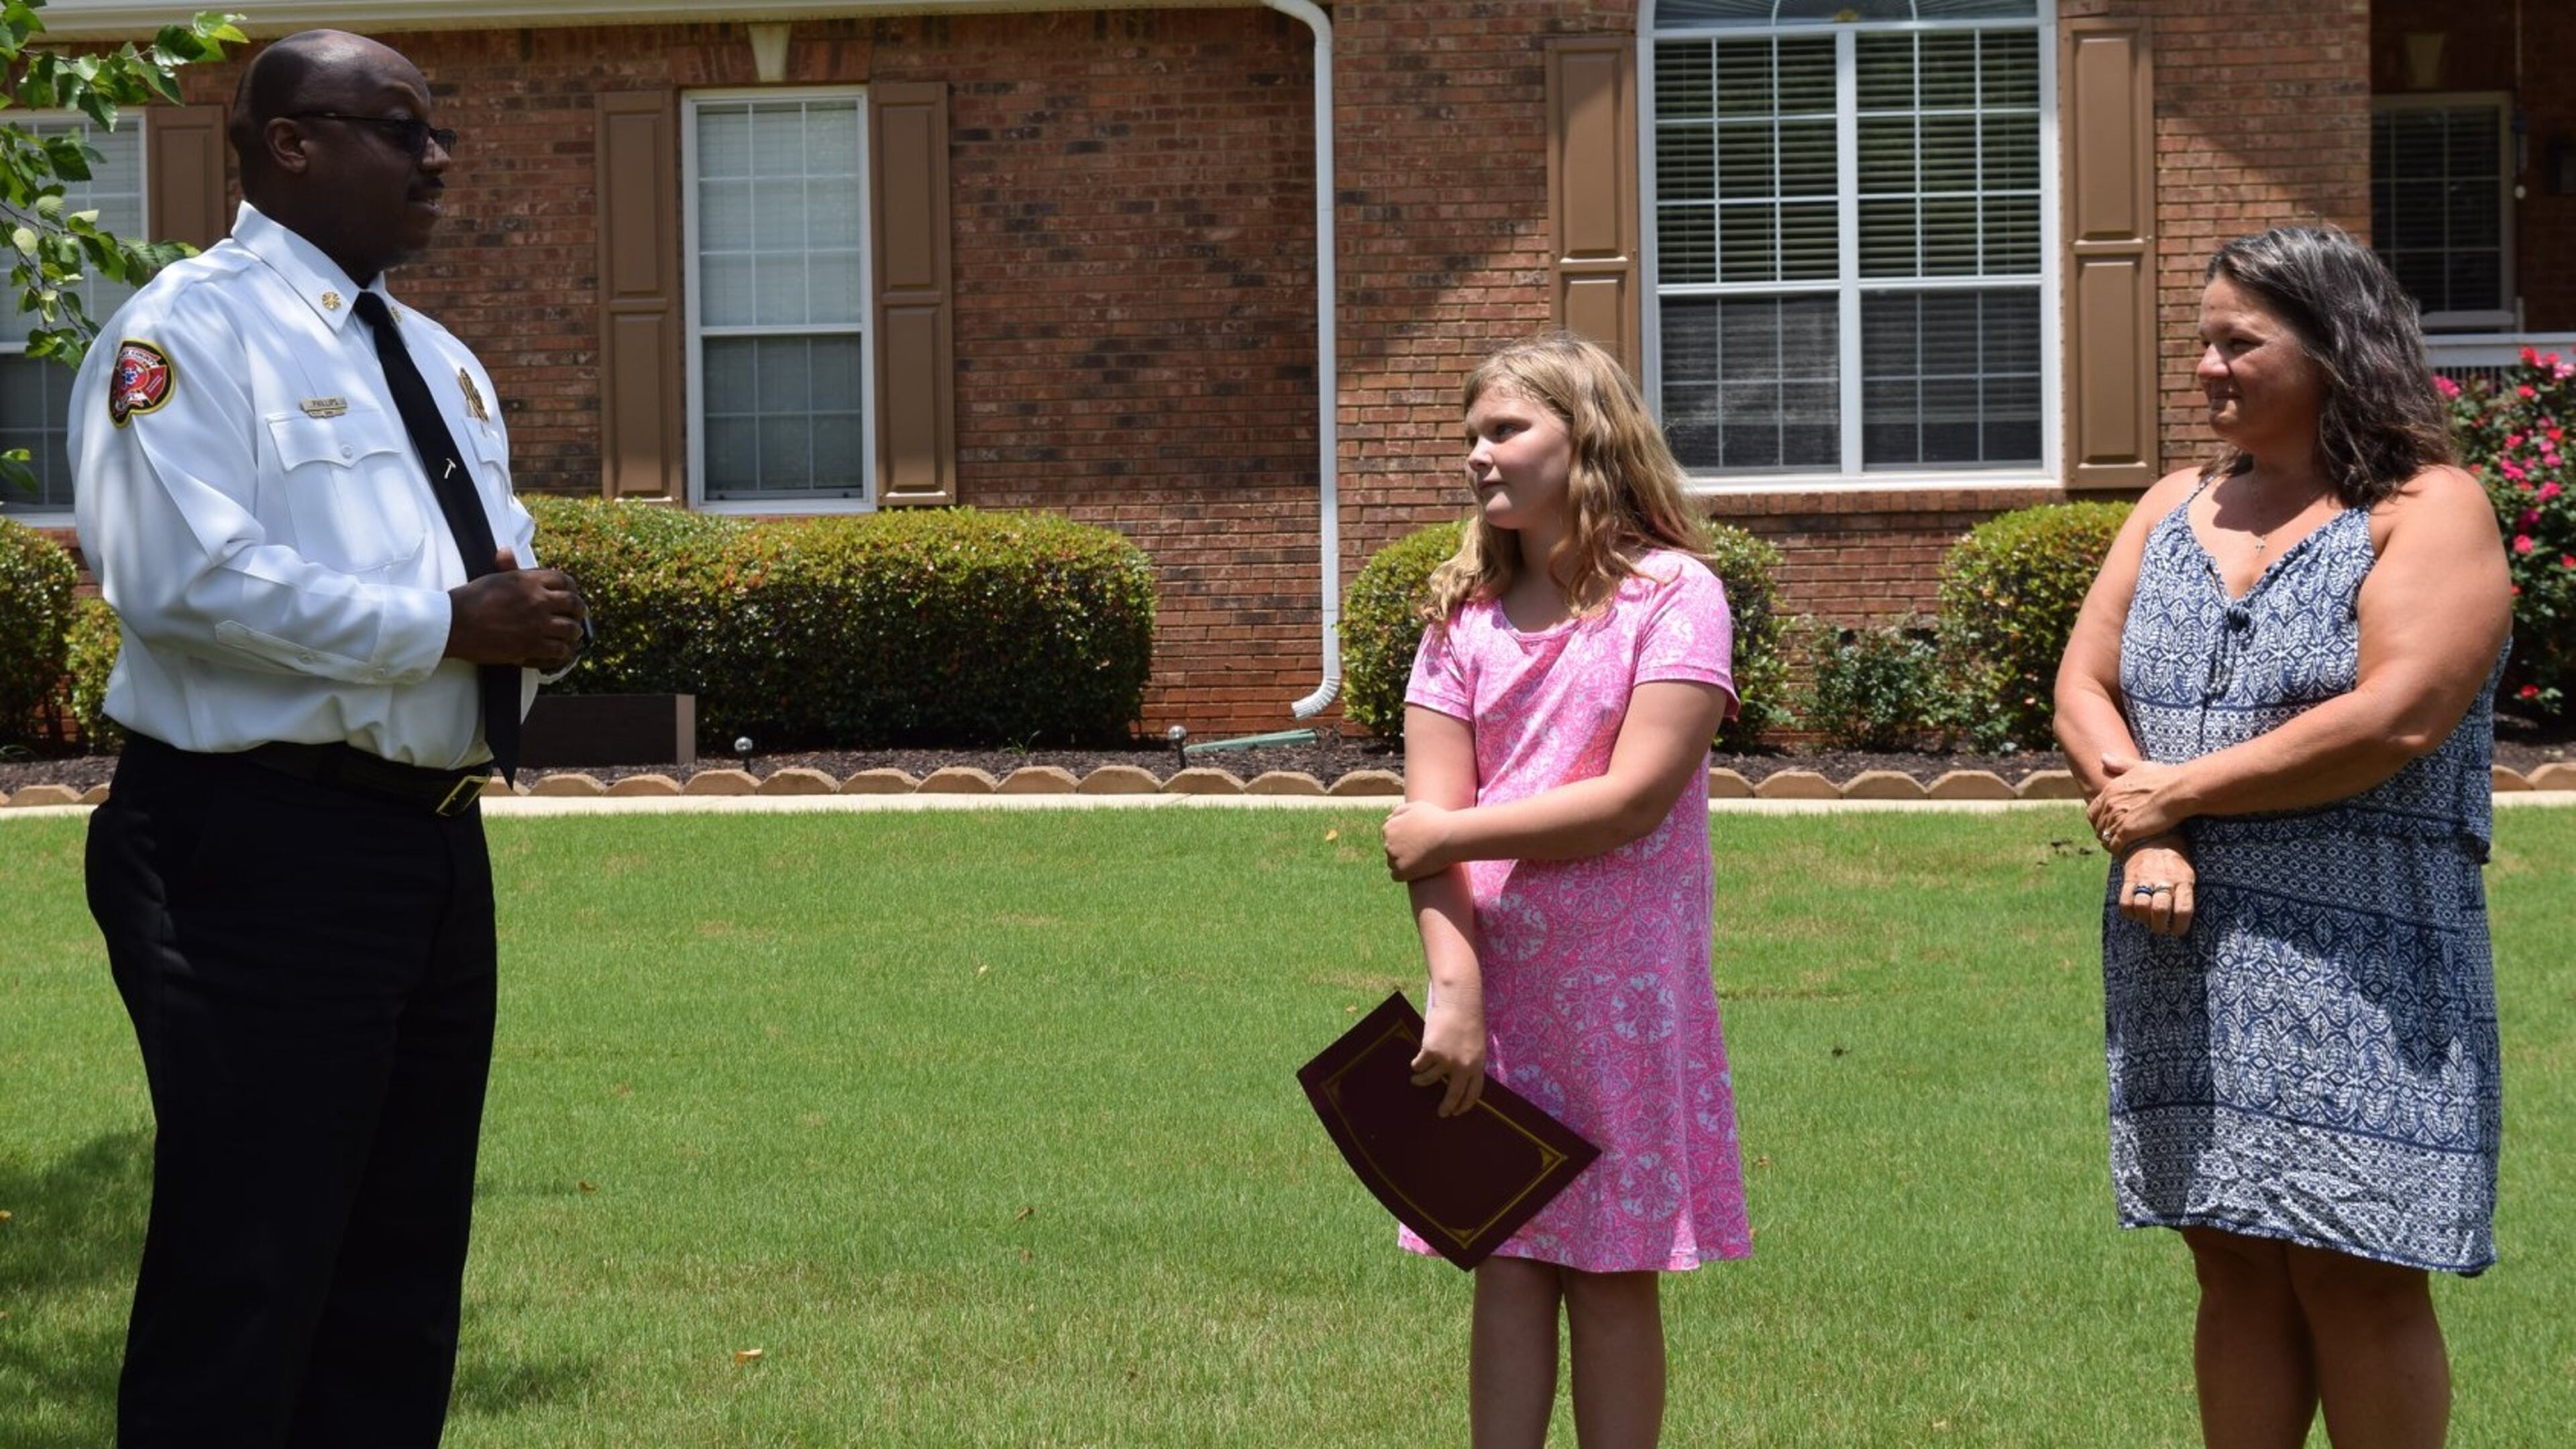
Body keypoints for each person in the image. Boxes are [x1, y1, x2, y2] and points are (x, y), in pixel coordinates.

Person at [69, 30, 586, 1448]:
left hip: (426, 853)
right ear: (290, 141)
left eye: (439, 134)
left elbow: (497, 564)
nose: (437, 160)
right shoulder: (187, 334)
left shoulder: (437, 359)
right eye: (400, 129)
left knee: (400, 1277)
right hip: (253, 845)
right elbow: (177, 580)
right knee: (251, 1269)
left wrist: (526, 626)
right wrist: (444, 627)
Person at [2053, 226, 2512, 1449]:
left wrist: (2176, 796)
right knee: (2232, 1259)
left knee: (2359, 1265)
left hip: (2365, 955)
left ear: (2334, 347)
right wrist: (2146, 833)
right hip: (2184, 938)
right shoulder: (2170, 506)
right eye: (2202, 341)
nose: (2205, 367)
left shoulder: (2430, 509)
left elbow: (2397, 715)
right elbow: (2085, 687)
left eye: (2236, 342)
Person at [1380, 334, 1750, 1449]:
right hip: (1497, 993)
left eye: (1505, 431)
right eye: (1472, 438)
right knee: (1506, 1256)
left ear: (1584, 439)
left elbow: (1633, 798)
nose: (1480, 458)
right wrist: (1456, 989)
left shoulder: (1672, 598)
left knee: (1612, 1271)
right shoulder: (1461, 620)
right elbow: (1423, 844)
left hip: (1624, 997)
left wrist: (1449, 829)